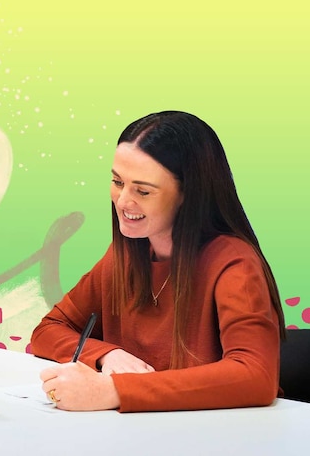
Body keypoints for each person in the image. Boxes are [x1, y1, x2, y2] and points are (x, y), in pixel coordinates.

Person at [30, 111, 284, 412]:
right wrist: (105, 354)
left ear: (188, 195)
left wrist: (115, 391)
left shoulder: (233, 264)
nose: (123, 201)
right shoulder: (124, 255)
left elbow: (256, 376)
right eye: (117, 181)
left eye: (143, 190)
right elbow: (48, 330)